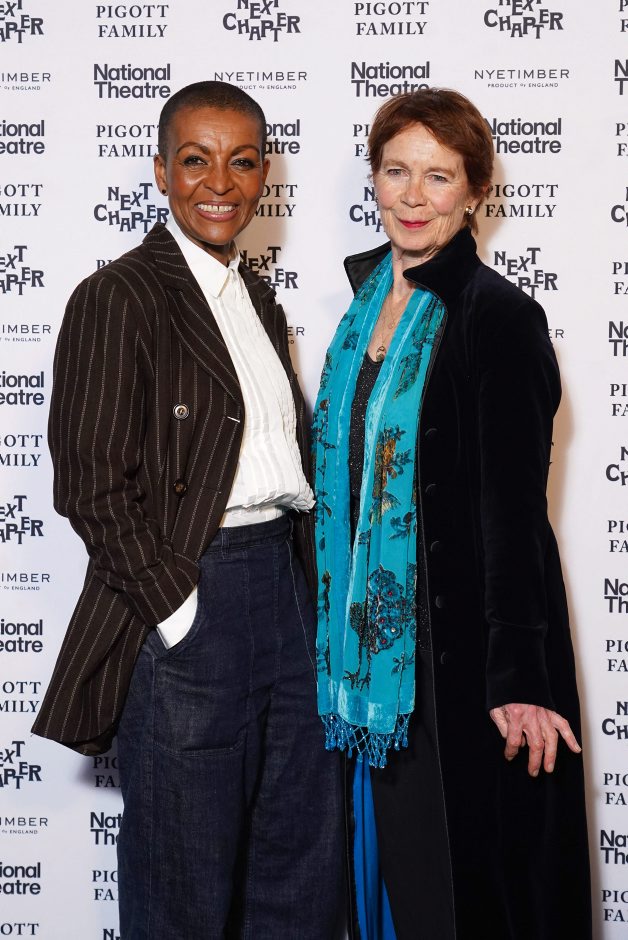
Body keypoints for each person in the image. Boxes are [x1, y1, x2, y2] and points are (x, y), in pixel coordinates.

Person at [33, 81, 343, 939]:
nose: (220, 182)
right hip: (197, 593)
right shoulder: (119, 296)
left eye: (241, 162)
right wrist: (178, 610)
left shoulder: (258, 298)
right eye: (197, 160)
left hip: (287, 592)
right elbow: (90, 484)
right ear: (162, 171)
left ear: (263, 174)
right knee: (183, 879)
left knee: (298, 864)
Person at [312, 88, 591, 940]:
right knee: (384, 886)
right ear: (373, 177)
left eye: (438, 176)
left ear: (474, 193)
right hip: (363, 664)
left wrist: (520, 681)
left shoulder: (499, 317)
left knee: (455, 894)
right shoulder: (362, 307)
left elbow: (515, 514)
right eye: (396, 171)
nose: (412, 195)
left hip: (455, 664)